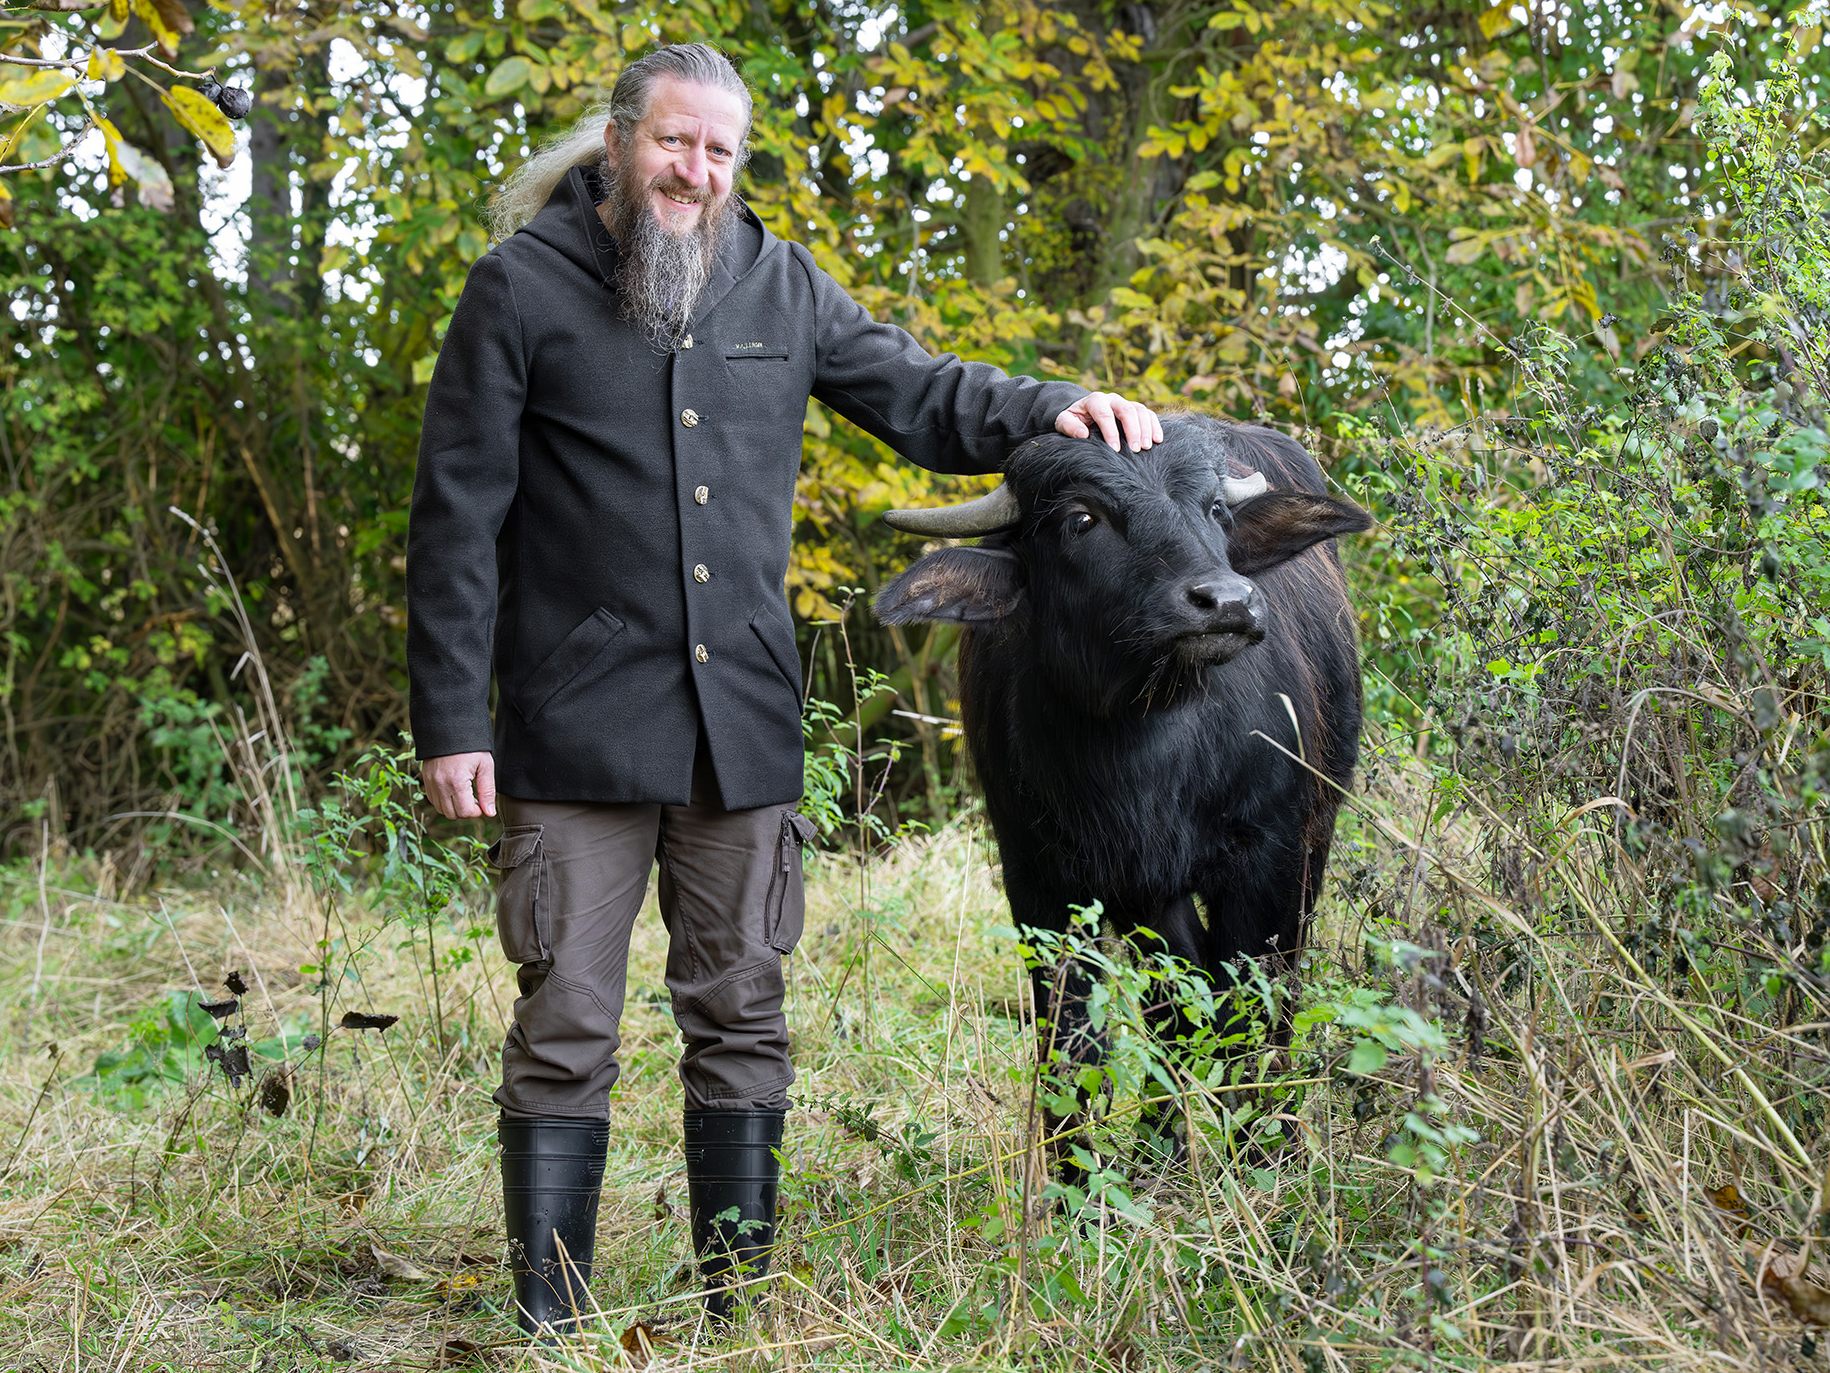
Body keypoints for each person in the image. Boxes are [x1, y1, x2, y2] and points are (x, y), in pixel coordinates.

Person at [405, 41, 1162, 1338]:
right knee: (568, 1019)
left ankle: (733, 1309)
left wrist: (1059, 405)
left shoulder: (778, 282)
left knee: (742, 1013)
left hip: (738, 728)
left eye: (718, 151)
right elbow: (456, 520)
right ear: (619, 138)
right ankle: (550, 1323)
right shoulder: (516, 290)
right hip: (570, 726)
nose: (694, 172)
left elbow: (927, 396)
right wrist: (450, 722)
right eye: (672, 143)